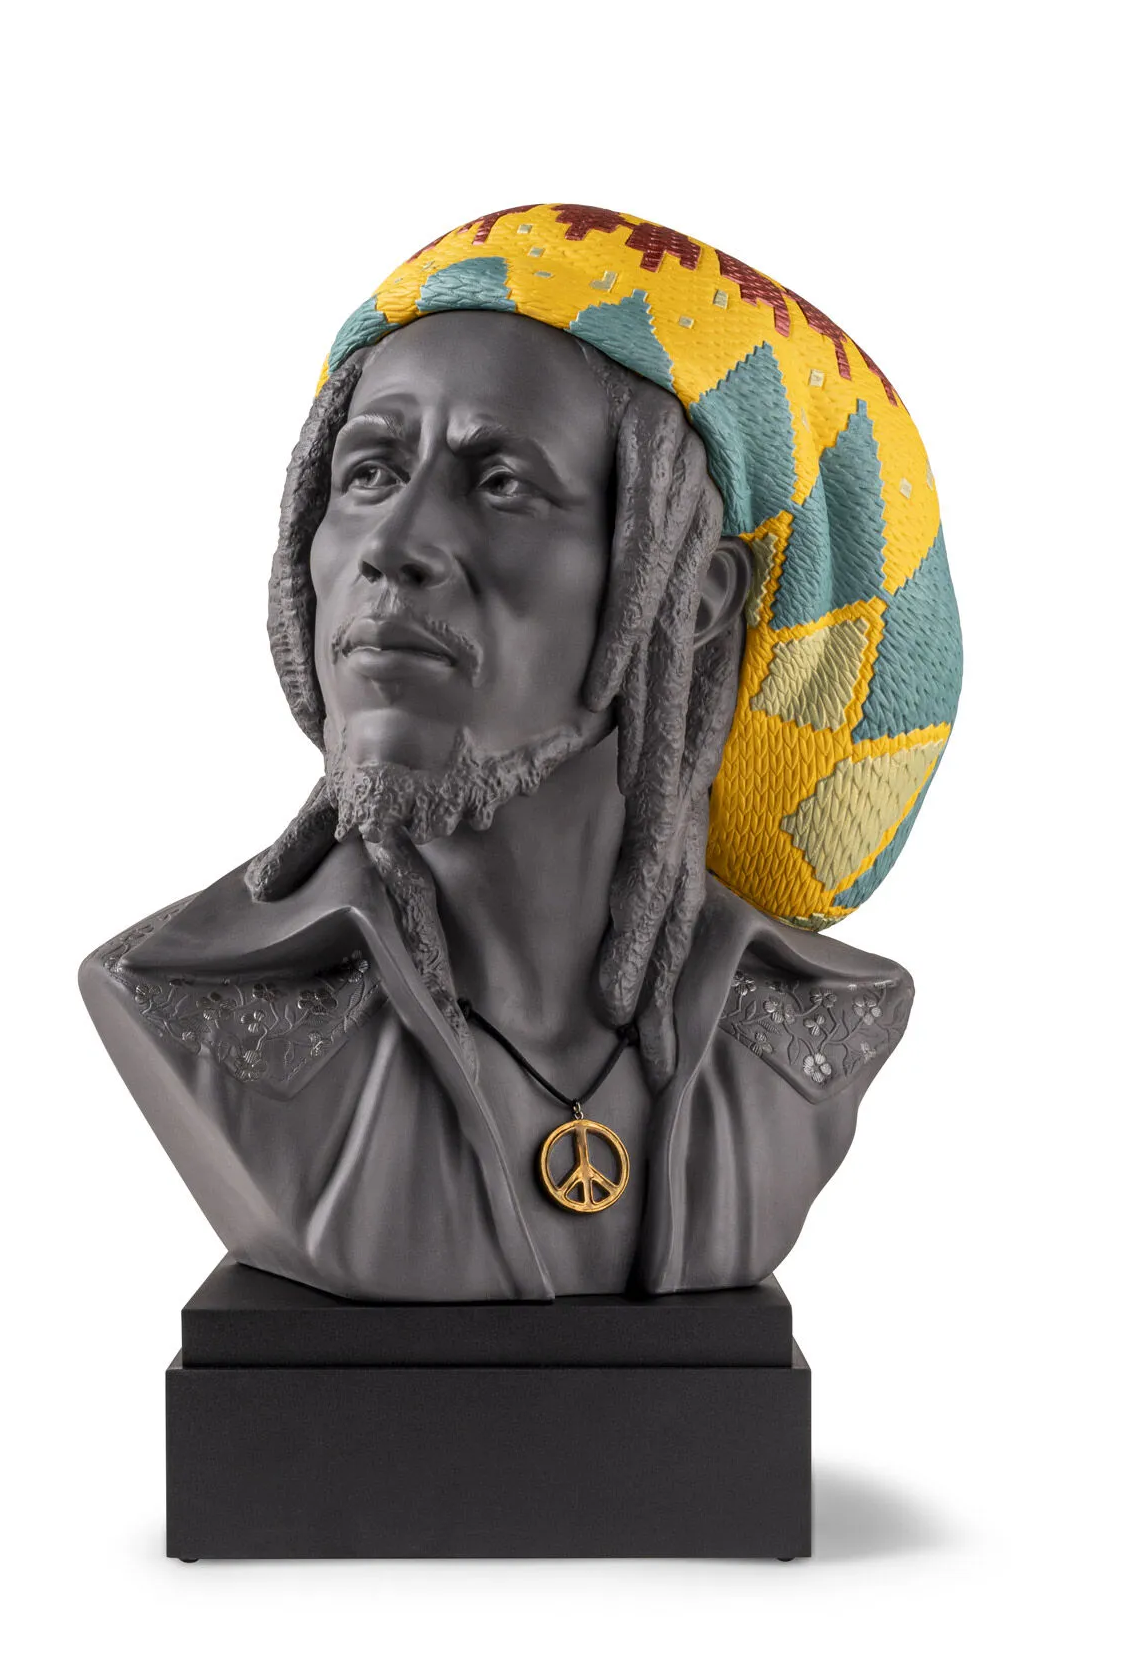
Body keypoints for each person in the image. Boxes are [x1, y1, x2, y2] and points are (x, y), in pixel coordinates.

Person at [81, 206, 960, 1301]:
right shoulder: (185, 1001)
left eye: (502, 482)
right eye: (368, 473)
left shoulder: (798, 1025)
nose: (393, 547)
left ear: (692, 596)